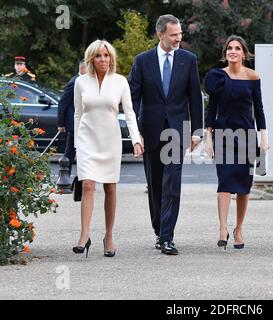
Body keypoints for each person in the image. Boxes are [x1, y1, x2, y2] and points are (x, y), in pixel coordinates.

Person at [129, 14, 203, 255]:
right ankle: (159, 229)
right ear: (160, 34)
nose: (178, 38)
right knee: (155, 183)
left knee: (172, 182)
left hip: (176, 131)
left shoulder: (188, 60)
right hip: (150, 130)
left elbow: (195, 97)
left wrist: (196, 132)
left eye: (180, 34)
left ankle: (167, 236)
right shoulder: (142, 61)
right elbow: (133, 98)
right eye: (173, 35)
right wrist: (135, 132)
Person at [73, 40, 143, 258]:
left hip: (111, 140)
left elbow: (130, 113)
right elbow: (77, 113)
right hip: (87, 139)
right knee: (87, 185)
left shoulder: (120, 81)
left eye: (106, 55)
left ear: (111, 58)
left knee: (110, 188)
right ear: (91, 59)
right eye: (98, 56)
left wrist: (135, 140)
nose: (103, 59)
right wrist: (76, 144)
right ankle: (84, 235)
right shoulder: (81, 82)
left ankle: (109, 236)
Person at [204, 35, 269, 250]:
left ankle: (238, 229)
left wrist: (264, 137)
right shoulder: (217, 77)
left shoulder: (252, 77)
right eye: (230, 48)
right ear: (225, 53)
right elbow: (211, 108)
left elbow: (258, 109)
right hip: (223, 135)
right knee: (224, 182)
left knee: (243, 186)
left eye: (237, 48)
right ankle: (223, 228)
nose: (233, 51)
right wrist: (208, 137)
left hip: (247, 135)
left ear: (244, 53)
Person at [57, 60, 87, 175]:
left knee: (70, 151)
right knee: (71, 152)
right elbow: (62, 103)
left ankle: (66, 178)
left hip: (77, 122)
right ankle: (65, 178)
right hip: (73, 123)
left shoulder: (81, 81)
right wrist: (61, 123)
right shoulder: (74, 82)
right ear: (82, 69)